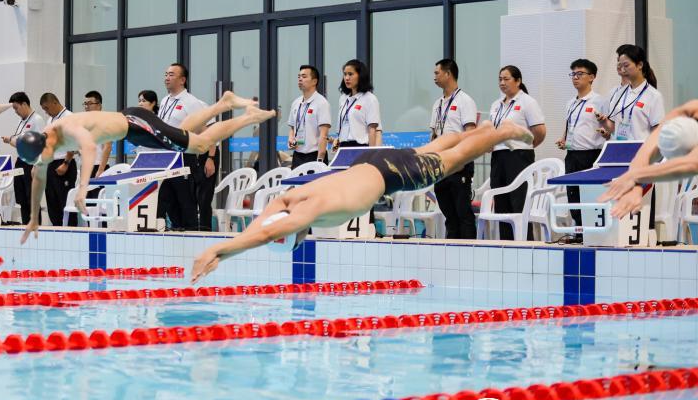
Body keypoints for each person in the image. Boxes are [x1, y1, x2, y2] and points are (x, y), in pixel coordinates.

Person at [190, 120, 535, 282]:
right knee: (431, 149)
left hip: (390, 176)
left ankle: (502, 130)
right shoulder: (289, 200)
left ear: (296, 235)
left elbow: (265, 233)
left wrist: (218, 250)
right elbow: (264, 224)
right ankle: (480, 130)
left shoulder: (307, 213)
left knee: (455, 159)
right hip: (370, 162)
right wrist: (229, 248)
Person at [17, 91, 273, 243]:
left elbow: (89, 147)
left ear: (45, 144)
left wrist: (83, 188)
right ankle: (223, 103)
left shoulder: (67, 127)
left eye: (43, 156)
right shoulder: (42, 144)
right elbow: (38, 176)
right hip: (132, 131)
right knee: (182, 132)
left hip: (136, 123)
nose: (43, 161)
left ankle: (246, 117)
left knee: (200, 144)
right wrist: (33, 219)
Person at [599, 100, 698, 218]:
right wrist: (636, 187)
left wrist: (633, 176)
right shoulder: (685, 112)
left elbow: (692, 164)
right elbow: (645, 153)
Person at [488, 65, 547, 240]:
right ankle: (506, 244)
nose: (502, 82)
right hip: (498, 156)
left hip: (519, 156)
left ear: (518, 81)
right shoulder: (496, 105)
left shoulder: (527, 102)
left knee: (519, 202)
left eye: (506, 79)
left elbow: (540, 131)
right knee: (501, 203)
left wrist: (527, 146)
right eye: (500, 79)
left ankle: (525, 244)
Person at [555, 59, 607, 237]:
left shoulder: (599, 101)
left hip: (591, 155)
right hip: (572, 154)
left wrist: (605, 131)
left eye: (580, 74)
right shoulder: (570, 103)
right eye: (573, 74)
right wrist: (564, 139)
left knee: (589, 197)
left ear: (591, 77)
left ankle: (592, 235)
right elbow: (570, 125)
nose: (575, 77)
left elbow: (608, 127)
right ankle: (579, 234)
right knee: (573, 196)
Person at [429, 59, 478, 239]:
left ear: (448, 74)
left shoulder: (465, 101)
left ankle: (469, 250)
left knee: (462, 211)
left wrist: (463, 160)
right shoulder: (438, 104)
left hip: (459, 162)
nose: (434, 76)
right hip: (441, 163)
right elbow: (434, 135)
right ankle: (452, 249)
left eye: (437, 73)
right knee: (449, 214)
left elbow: (470, 133)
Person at [157, 63, 209, 230]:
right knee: (167, 199)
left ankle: (192, 233)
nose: (167, 78)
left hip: (184, 157)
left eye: (171, 74)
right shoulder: (165, 101)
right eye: (166, 74)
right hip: (166, 157)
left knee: (186, 200)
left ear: (182, 80)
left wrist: (209, 157)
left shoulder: (191, 102)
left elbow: (204, 130)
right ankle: (176, 230)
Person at [603, 45, 664, 142]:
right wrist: (603, 121)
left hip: (640, 148)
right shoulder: (619, 93)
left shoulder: (654, 95)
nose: (623, 70)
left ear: (640, 65)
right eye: (620, 66)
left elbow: (657, 131)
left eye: (626, 65)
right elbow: (612, 128)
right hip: (618, 147)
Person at [2, 92, 46, 224]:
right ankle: (26, 225)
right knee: (21, 198)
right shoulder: (21, 122)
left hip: (31, 163)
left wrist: (36, 166)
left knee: (31, 198)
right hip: (21, 161)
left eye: (16, 108)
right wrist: (10, 140)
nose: (15, 112)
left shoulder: (37, 120)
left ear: (24, 104)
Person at [39, 92, 77, 227]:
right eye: (44, 109)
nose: (46, 112)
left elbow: (73, 142)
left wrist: (66, 163)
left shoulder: (69, 117)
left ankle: (71, 231)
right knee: (52, 201)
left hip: (64, 163)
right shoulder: (50, 120)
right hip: (51, 163)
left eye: (47, 108)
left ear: (55, 103)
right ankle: (56, 230)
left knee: (65, 201)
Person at [287, 65, 331, 169]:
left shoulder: (322, 103)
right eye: (299, 77)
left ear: (314, 81)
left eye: (304, 76)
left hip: (314, 155)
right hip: (297, 155)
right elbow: (292, 127)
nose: (300, 79)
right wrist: (291, 138)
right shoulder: (296, 103)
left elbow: (323, 135)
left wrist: (320, 161)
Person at [334, 59, 381, 150]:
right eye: (345, 74)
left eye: (350, 74)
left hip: (360, 146)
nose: (347, 78)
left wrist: (371, 153)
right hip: (343, 146)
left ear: (360, 76)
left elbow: (372, 130)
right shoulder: (343, 98)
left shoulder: (370, 99)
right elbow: (341, 127)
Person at [81, 91, 111, 194]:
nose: (86, 106)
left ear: (99, 105)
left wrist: (101, 170)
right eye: (85, 104)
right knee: (86, 201)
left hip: (98, 167)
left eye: (90, 103)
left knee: (98, 200)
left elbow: (107, 147)